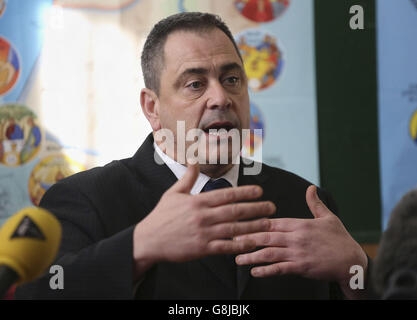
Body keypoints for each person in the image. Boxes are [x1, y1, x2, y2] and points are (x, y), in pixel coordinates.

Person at [15, 12, 371, 300]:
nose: (220, 98)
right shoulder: (87, 199)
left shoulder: (307, 202)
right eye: (195, 84)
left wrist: (356, 275)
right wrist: (138, 247)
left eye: (232, 79)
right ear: (152, 108)